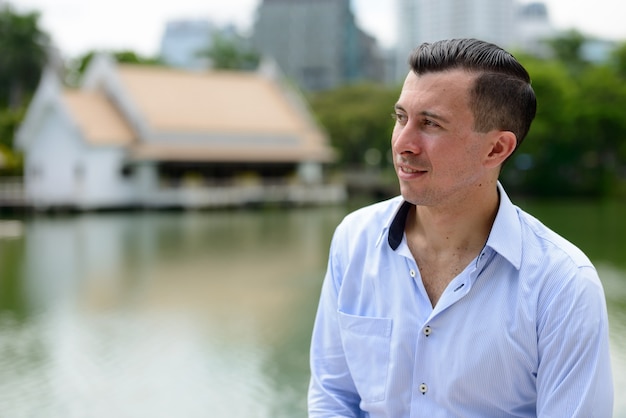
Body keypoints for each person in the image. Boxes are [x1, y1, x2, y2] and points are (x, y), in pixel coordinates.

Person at [308, 38, 613, 417]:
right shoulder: (353, 240)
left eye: (430, 124)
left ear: (496, 149)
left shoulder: (563, 284)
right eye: (400, 117)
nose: (403, 144)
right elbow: (332, 397)